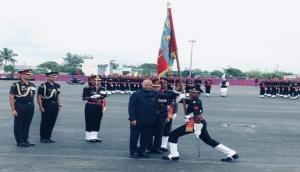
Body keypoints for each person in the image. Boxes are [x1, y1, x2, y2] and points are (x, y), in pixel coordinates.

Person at [162, 88, 238, 162]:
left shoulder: (196, 102)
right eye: (191, 92)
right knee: (209, 141)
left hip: (195, 123)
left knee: (173, 135)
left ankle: (174, 155)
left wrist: (197, 127)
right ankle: (231, 153)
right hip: (198, 122)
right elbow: (178, 101)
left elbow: (197, 116)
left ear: (199, 94)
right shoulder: (193, 100)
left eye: (194, 92)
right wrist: (180, 97)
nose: (192, 94)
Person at [128, 79, 176, 159]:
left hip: (149, 120)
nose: (148, 87)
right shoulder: (135, 94)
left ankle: (142, 151)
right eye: (146, 85)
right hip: (137, 120)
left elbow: (167, 96)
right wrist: (132, 118)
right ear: (142, 85)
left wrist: (178, 93)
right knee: (134, 137)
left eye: (150, 85)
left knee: (145, 137)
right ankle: (134, 152)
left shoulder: (154, 93)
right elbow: (131, 107)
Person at [9, 69, 36, 147]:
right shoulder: (16, 84)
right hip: (20, 105)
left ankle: (25, 140)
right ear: (21, 75)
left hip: (30, 106)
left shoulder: (32, 85)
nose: (30, 75)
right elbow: (11, 97)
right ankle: (20, 141)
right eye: (27, 74)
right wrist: (13, 110)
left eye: (30, 74)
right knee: (19, 124)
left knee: (27, 124)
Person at [37, 71, 61, 143]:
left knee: (52, 122)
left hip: (55, 106)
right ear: (47, 77)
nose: (54, 78)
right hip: (46, 105)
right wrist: (41, 107)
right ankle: (43, 137)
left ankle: (48, 137)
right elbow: (39, 97)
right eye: (52, 76)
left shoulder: (57, 85)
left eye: (55, 76)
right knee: (45, 122)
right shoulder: (43, 86)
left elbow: (58, 96)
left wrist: (59, 105)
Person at [82, 75, 107, 142]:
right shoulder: (87, 88)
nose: (98, 81)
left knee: (97, 121)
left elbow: (104, 96)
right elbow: (84, 98)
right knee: (90, 120)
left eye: (99, 80)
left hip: (99, 106)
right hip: (90, 105)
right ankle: (88, 137)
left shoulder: (102, 88)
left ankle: (94, 136)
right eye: (96, 80)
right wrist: (91, 97)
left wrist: (100, 96)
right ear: (91, 80)